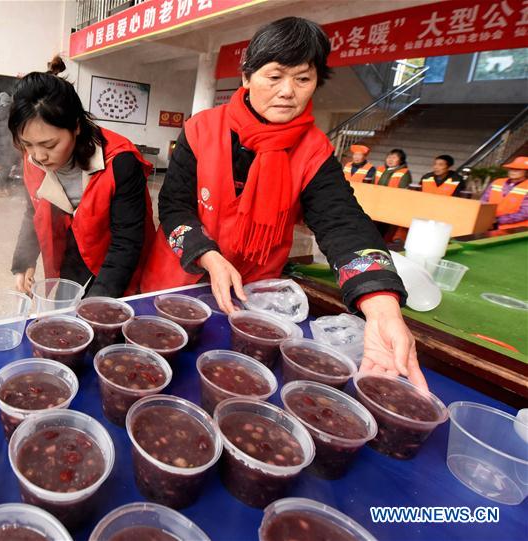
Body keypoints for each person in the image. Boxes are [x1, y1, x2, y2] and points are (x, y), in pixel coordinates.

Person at [141, 17, 427, 390]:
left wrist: (382, 308)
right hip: (179, 281)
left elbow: (342, 223)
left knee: (230, 383)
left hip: (252, 297)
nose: (287, 91)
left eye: (302, 79)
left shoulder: (314, 152)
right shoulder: (202, 129)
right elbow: (175, 205)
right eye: (274, 76)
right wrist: (209, 256)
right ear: (247, 77)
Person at [8, 68, 155, 298]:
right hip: (73, 251)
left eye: (49, 145)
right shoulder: (32, 159)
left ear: (76, 126)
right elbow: (33, 211)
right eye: (28, 144)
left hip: (116, 260)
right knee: (64, 313)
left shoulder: (120, 162)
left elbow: (126, 242)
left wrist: (96, 303)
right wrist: (23, 262)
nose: (39, 156)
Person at [0, 91, 21, 196]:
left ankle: (5, 188)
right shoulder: (13, 111)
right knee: (8, 165)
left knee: (4, 164)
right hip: (9, 142)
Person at [481, 156, 528, 230]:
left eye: (517, 170)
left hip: (515, 230)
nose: (512, 172)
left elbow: (525, 213)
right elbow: (483, 202)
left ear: (526, 172)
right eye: (511, 169)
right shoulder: (497, 182)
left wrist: (498, 220)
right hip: (488, 225)